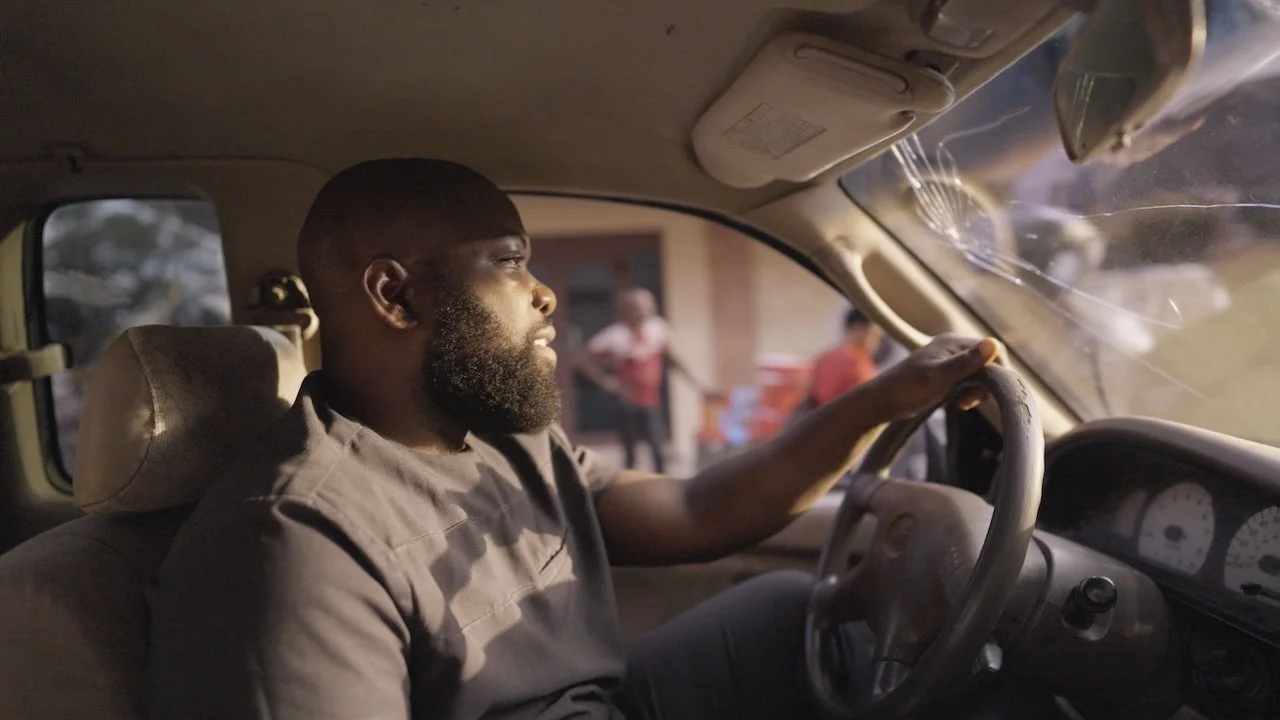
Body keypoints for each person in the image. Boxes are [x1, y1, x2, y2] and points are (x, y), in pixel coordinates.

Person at [146, 158, 1001, 720]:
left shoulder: (498, 439)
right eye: (509, 262)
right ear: (396, 298)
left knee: (795, 617)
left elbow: (697, 508)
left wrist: (887, 397)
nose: (546, 295)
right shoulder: (292, 534)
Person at [578, 287, 699, 473]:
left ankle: (661, 485)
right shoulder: (614, 335)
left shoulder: (658, 328)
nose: (646, 310)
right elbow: (584, 360)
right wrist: (606, 381)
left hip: (651, 399)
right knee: (630, 451)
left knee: (657, 446)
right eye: (640, 306)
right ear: (626, 309)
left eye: (649, 305)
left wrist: (697, 384)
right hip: (626, 399)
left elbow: (672, 358)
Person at [809, 308, 884, 408]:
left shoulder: (826, 357)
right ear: (859, 329)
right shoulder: (858, 362)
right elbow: (868, 403)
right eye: (875, 335)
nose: (877, 342)